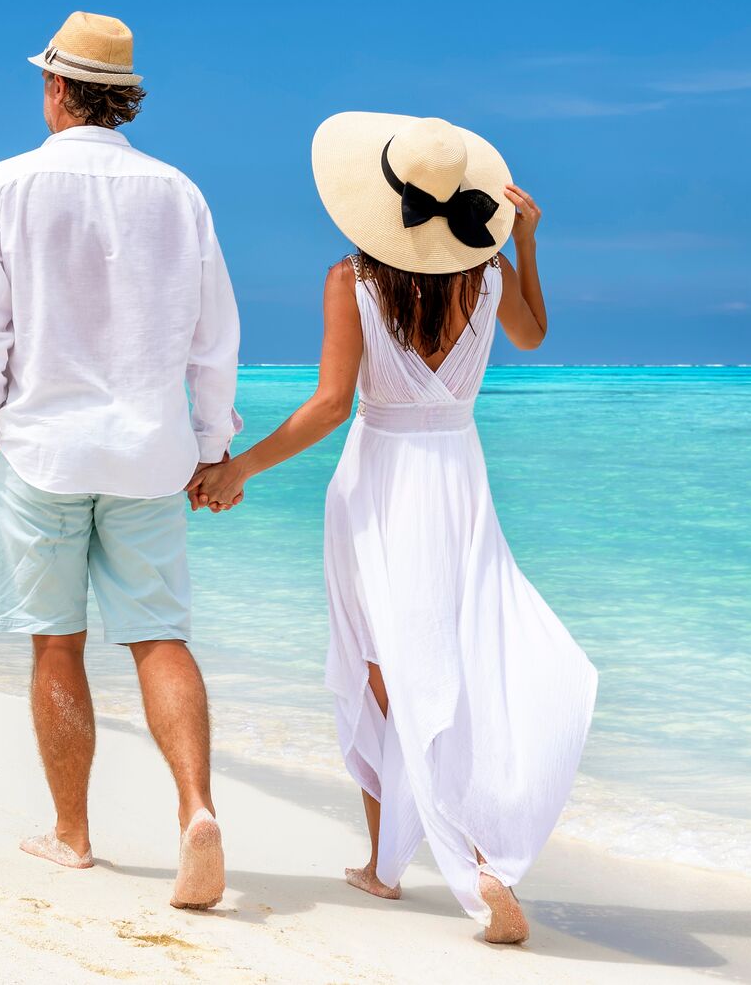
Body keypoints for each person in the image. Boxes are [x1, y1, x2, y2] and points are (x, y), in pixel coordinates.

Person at [192, 113, 595, 943]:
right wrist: (525, 244)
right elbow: (533, 335)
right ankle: (440, 857)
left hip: (378, 485)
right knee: (458, 661)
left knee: (382, 669)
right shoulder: (488, 271)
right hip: (459, 480)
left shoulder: (353, 279)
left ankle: (440, 863)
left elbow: (330, 406)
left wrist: (240, 468)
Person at [0, 11, 242, 911]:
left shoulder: (7, 183)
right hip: (151, 452)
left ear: (56, 88)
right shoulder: (179, 192)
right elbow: (214, 338)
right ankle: (196, 809)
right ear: (123, 97)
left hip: (42, 447)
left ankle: (72, 835)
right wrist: (211, 445)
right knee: (160, 636)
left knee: (57, 641)